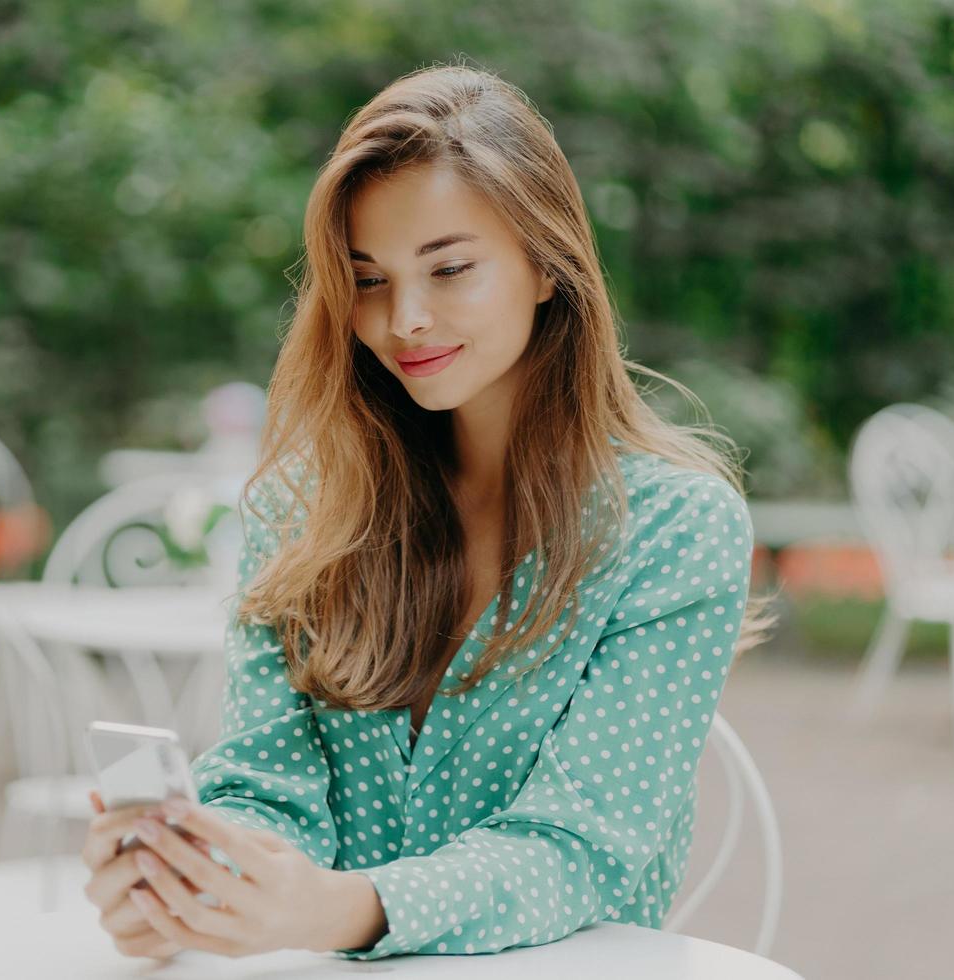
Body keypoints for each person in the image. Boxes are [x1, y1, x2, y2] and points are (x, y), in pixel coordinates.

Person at [80, 61, 771, 961]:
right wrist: (198, 879)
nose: (405, 318)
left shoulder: (677, 530)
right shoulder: (306, 511)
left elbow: (583, 847)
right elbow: (267, 785)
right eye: (368, 279)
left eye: (450, 269)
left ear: (546, 266)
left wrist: (345, 909)